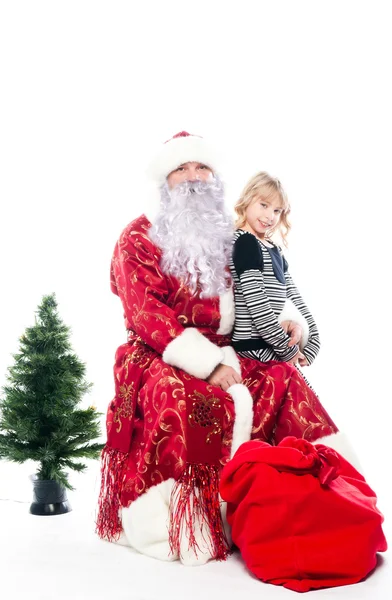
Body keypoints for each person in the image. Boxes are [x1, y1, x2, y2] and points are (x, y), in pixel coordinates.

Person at [96, 132, 352, 567]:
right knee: (189, 399)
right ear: (165, 180)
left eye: (202, 167)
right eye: (182, 168)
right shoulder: (137, 237)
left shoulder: (228, 238)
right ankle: (190, 519)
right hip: (158, 351)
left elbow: (257, 295)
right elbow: (146, 314)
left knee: (282, 378)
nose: (194, 177)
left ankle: (318, 500)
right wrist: (208, 364)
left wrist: (287, 320)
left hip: (229, 347)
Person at [230, 172, 318, 368]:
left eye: (277, 211)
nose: (270, 216)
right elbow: (257, 306)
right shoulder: (246, 242)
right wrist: (287, 349)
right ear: (247, 200)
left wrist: (313, 341)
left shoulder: (273, 249)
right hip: (252, 349)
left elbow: (294, 297)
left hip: (272, 346)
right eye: (264, 205)